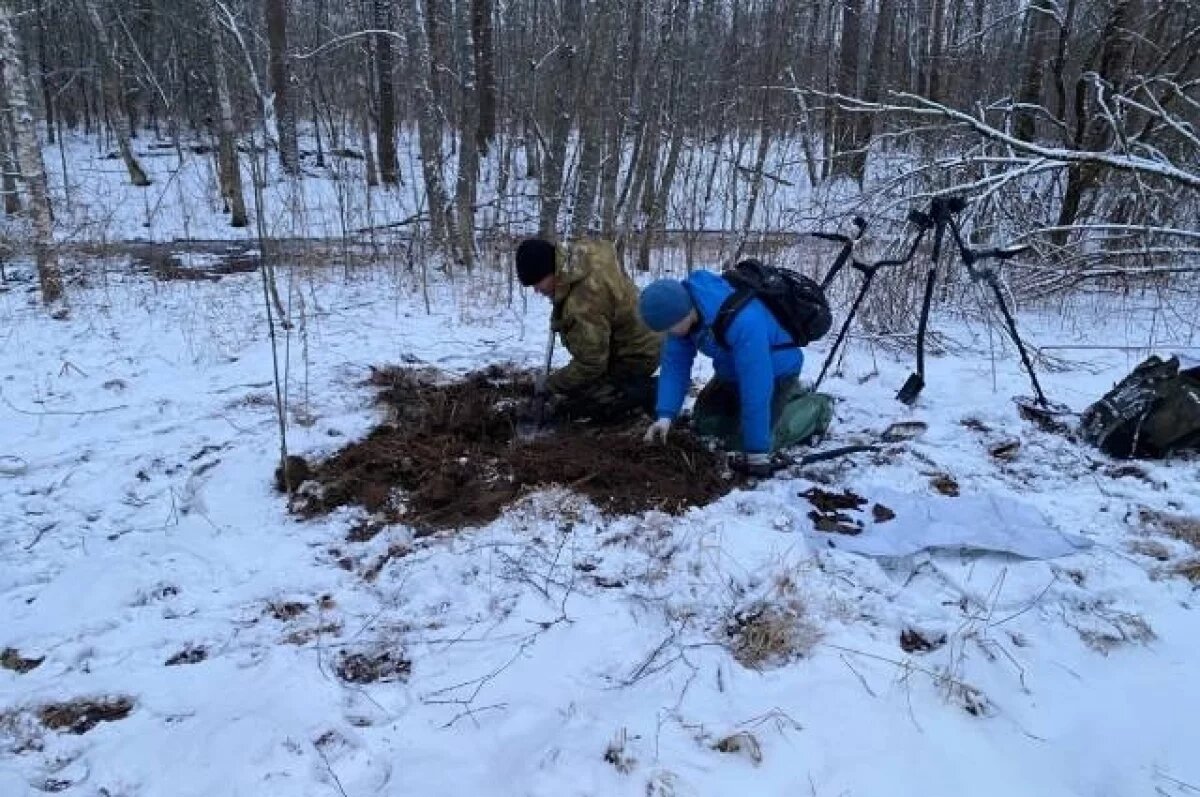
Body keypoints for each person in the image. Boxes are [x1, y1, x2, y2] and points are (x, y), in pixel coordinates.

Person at [637, 271, 831, 477]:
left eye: (669, 328)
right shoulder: (681, 318)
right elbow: (674, 367)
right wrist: (665, 416)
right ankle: (787, 400)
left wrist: (757, 452)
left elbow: (756, 385)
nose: (670, 333)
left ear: (683, 313)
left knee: (743, 443)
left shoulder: (743, 320)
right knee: (705, 425)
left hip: (776, 371)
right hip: (732, 371)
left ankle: (817, 409)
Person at [516, 237, 662, 422]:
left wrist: (552, 385)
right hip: (644, 331)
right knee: (578, 386)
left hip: (638, 352)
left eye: (538, 282)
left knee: (584, 403)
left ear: (551, 270)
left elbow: (591, 364)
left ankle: (650, 391)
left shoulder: (583, 304)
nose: (537, 290)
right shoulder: (583, 252)